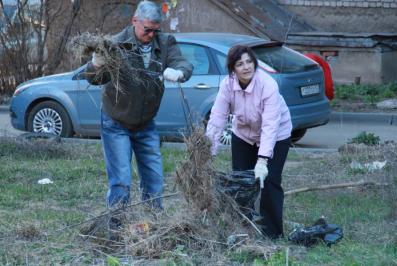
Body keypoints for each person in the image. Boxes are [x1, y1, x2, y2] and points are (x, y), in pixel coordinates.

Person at [85, 0, 193, 210]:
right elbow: (96, 79)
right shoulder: (115, 45)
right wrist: (96, 64)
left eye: (155, 30)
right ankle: (117, 226)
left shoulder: (165, 42)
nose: (151, 35)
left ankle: (153, 226)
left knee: (154, 179)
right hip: (116, 122)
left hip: (145, 123)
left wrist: (179, 72)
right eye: (147, 30)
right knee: (121, 180)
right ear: (134, 21)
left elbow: (182, 63)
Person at [206, 45, 292, 239]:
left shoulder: (268, 85)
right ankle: (244, 230)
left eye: (249, 61)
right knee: (241, 183)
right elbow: (217, 117)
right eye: (239, 64)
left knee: (269, 182)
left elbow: (270, 125)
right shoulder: (227, 85)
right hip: (244, 134)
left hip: (276, 136)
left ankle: (272, 235)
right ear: (232, 69)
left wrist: (262, 161)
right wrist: (208, 152)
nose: (246, 67)